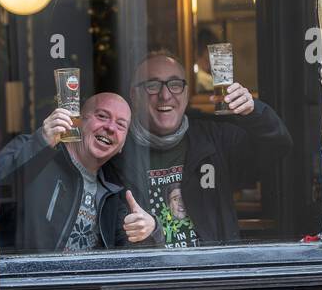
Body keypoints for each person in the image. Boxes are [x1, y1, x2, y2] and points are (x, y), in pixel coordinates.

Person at [114, 51, 292, 247]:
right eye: (152, 86)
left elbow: (277, 148)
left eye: (175, 85)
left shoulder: (216, 139)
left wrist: (254, 111)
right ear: (134, 95)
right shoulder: (116, 152)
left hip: (213, 272)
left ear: (187, 92)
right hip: (152, 274)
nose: (165, 95)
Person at [0, 92, 160, 253]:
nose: (110, 127)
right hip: (29, 278)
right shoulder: (34, 148)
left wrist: (151, 230)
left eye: (121, 125)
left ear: (122, 145)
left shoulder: (114, 191)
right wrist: (41, 142)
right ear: (77, 122)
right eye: (102, 116)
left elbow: (131, 261)